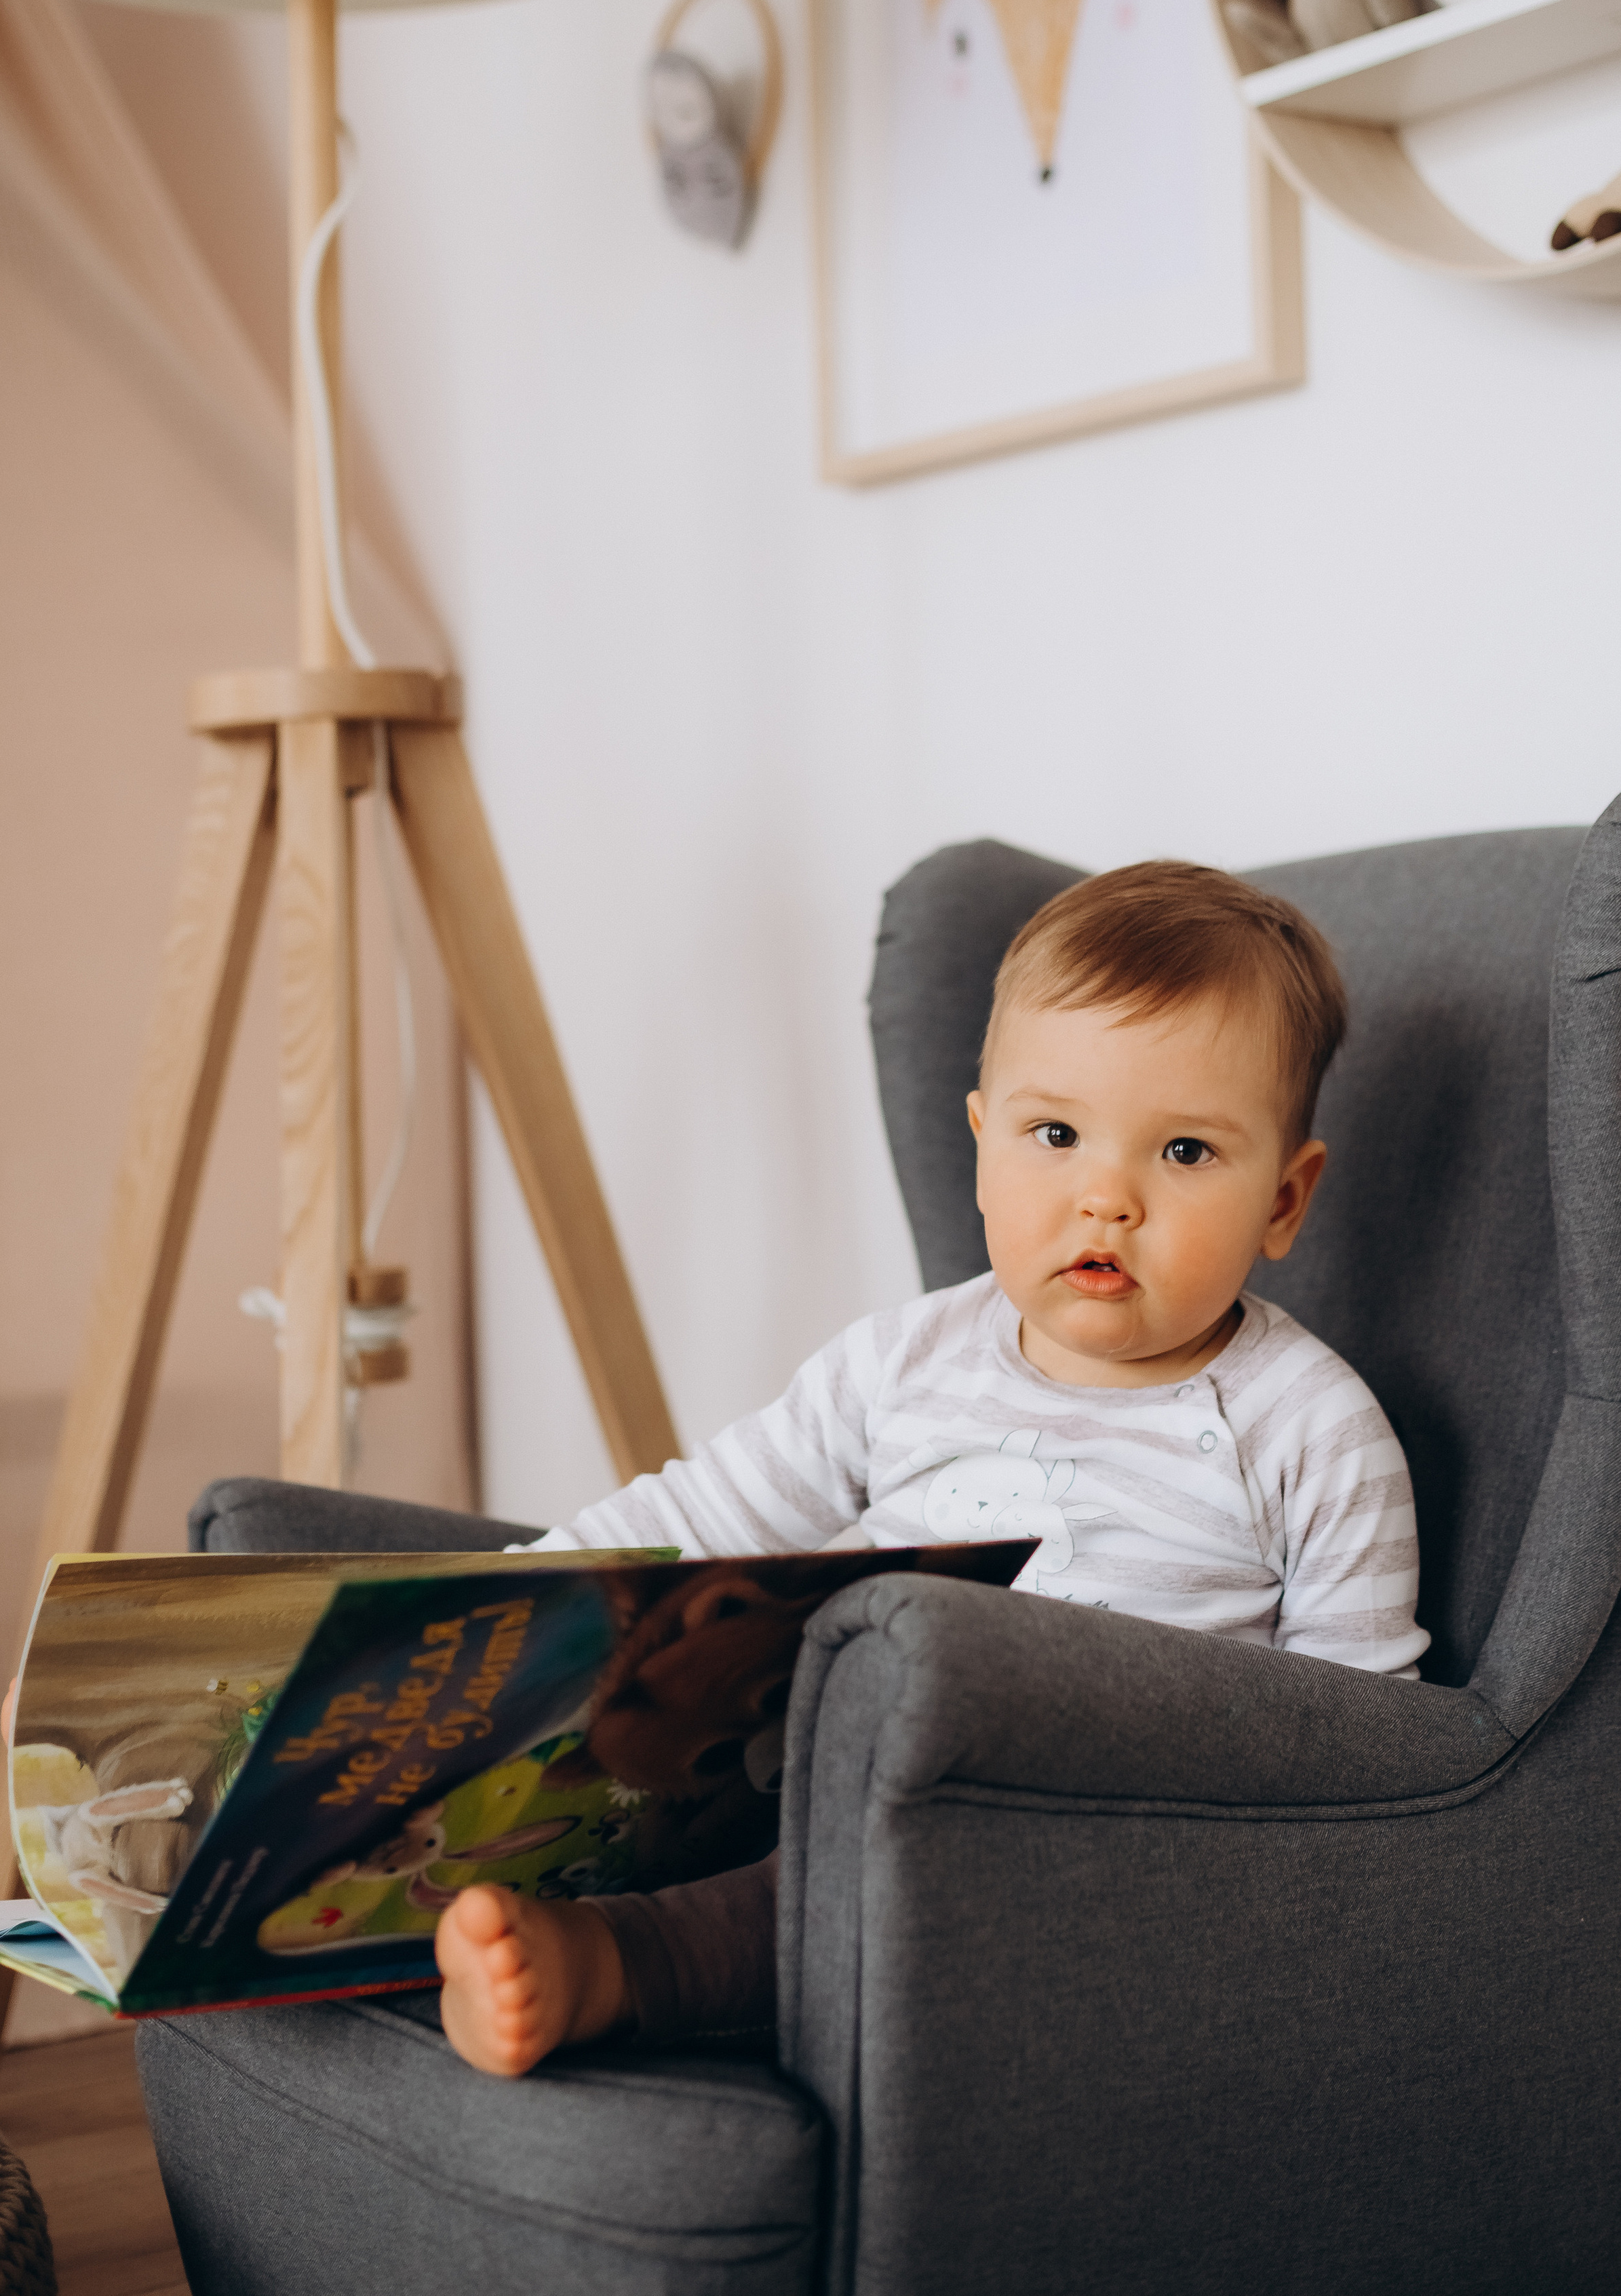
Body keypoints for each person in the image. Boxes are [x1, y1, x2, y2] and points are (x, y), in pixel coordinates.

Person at [435, 859, 1432, 2078]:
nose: (1105, 1198)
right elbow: (702, 1513)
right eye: (1054, 1135)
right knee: (677, 1753)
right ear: (982, 1143)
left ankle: (615, 1968)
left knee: (861, 1868)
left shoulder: (1313, 1430)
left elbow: (1369, 1750)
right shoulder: (903, 1360)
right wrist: (503, 1615)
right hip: (814, 1774)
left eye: (1183, 1151)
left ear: (1283, 1198)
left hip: (1090, 1849)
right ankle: (533, 1910)